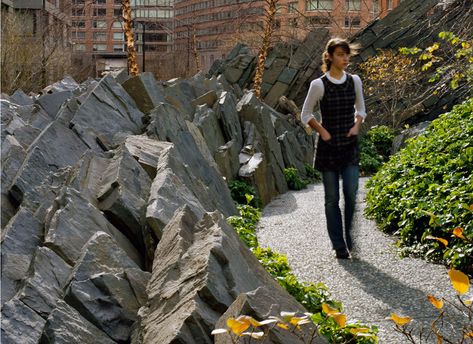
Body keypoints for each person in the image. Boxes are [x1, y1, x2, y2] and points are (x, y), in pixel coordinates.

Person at [301, 38, 366, 259]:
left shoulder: (354, 80)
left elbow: (361, 110)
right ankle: (339, 246)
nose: (346, 58)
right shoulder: (318, 84)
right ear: (329, 56)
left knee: (350, 193)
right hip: (328, 147)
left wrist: (357, 125)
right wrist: (322, 130)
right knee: (331, 199)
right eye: (340, 54)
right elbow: (305, 114)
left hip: (349, 146)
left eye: (347, 54)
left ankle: (349, 238)